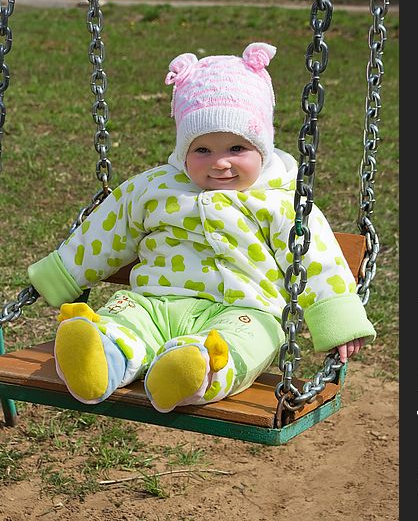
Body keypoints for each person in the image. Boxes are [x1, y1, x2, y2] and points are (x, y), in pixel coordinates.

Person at [27, 42, 376, 413]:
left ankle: (195, 370)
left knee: (248, 341)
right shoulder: (154, 188)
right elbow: (106, 232)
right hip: (155, 302)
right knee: (124, 319)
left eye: (237, 149)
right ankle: (97, 357)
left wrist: (338, 319)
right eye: (203, 150)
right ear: (182, 150)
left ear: (264, 148)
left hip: (243, 311)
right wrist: (62, 274)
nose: (220, 163)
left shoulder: (280, 201)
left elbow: (314, 258)